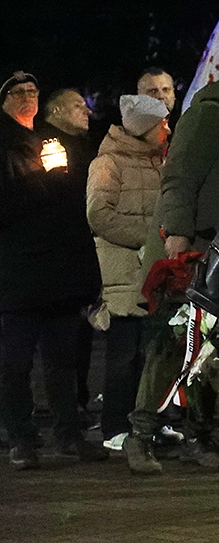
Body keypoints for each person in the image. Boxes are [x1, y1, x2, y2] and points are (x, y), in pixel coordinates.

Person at [123, 64, 219, 473]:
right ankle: (141, 435)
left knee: (209, 348)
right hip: (192, 249)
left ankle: (198, 435)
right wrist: (177, 235)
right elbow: (180, 177)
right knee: (173, 345)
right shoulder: (208, 115)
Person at [0, 71, 107, 469]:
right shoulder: (6, 143)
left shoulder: (51, 140)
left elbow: (71, 203)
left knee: (63, 361)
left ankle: (68, 433)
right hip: (18, 272)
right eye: (18, 91)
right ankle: (22, 438)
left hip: (59, 273)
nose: (28, 96)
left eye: (33, 90)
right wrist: (43, 183)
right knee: (15, 363)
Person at [86, 95, 169, 451]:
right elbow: (99, 216)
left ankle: (148, 422)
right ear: (144, 129)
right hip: (124, 272)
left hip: (155, 272)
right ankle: (114, 426)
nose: (167, 128)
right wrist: (151, 239)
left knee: (155, 352)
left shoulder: (160, 162)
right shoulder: (108, 163)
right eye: (161, 123)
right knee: (124, 353)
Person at [35, 89, 102, 418]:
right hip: (60, 261)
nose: (85, 111)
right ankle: (68, 411)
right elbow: (65, 197)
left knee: (78, 340)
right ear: (55, 110)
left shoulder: (82, 147)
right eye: (77, 105)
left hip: (77, 258)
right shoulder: (51, 146)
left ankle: (76, 404)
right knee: (63, 343)